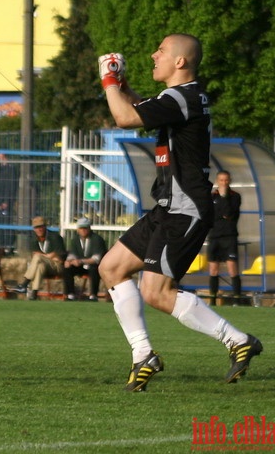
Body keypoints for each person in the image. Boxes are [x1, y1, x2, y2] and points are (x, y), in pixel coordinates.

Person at [96, 34, 261, 391]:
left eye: (161, 51)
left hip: (185, 209)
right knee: (111, 267)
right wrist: (123, 85)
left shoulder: (182, 97)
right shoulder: (182, 98)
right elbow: (141, 107)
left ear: (180, 62)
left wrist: (109, 82)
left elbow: (125, 118)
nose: (154, 54)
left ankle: (237, 339)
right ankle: (144, 355)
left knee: (156, 291)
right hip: (169, 206)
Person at [207, 171, 243, 305]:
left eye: (226, 180)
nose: (224, 183)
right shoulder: (211, 197)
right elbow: (211, 215)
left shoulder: (235, 197)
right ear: (217, 181)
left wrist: (223, 197)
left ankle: (237, 300)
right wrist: (220, 213)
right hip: (215, 236)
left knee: (232, 268)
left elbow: (229, 214)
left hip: (229, 236)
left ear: (230, 181)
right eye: (221, 180)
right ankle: (212, 300)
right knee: (213, 269)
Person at [15, 216, 66, 300]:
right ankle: (34, 293)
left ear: (45, 227)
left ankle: (24, 283)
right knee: (40, 266)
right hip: (45, 264)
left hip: (57, 266)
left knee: (38, 257)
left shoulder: (55, 237)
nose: (39, 230)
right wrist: (49, 256)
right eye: (36, 227)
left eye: (41, 227)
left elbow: (59, 257)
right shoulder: (33, 240)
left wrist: (44, 256)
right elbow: (36, 255)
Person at [62, 216, 106, 301]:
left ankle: (93, 295)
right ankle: (71, 294)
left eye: (85, 228)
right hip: (80, 266)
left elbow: (97, 258)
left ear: (89, 228)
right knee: (67, 269)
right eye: (81, 228)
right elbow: (72, 254)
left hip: (93, 265)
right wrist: (69, 261)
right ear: (78, 229)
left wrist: (81, 261)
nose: (83, 230)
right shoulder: (75, 239)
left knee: (94, 269)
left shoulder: (97, 239)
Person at [0, 153, 19, 251]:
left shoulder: (11, 169)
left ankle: (8, 246)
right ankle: (0, 245)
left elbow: (12, 186)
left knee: (6, 223)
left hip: (6, 201)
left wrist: (7, 201)